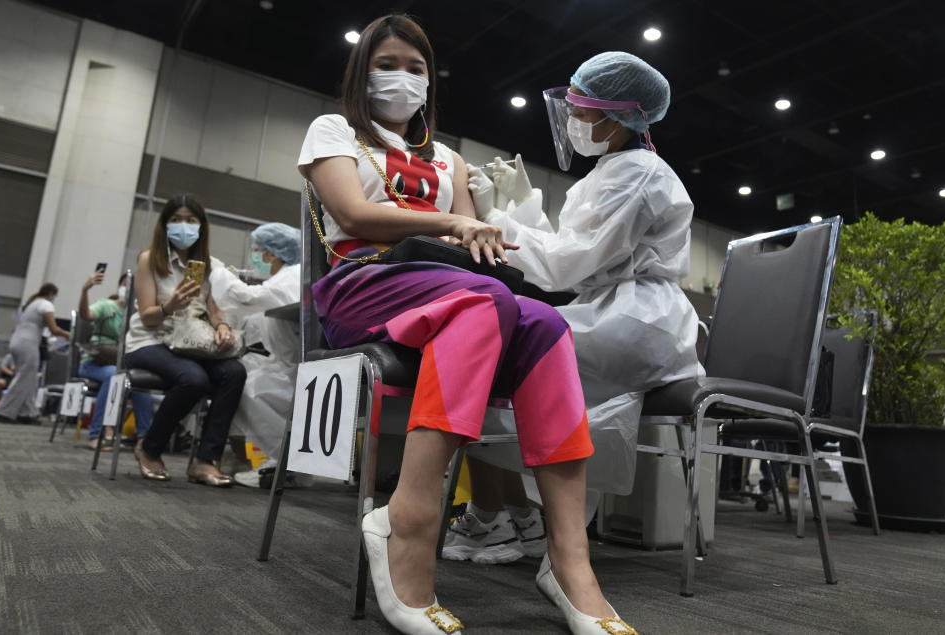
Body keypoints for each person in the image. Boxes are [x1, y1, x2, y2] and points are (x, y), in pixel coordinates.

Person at [298, 14, 632, 635]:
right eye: (387, 64)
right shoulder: (335, 131)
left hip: (445, 291)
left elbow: (470, 249)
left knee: (544, 324)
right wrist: (451, 223)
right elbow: (351, 212)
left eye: (416, 68)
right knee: (484, 304)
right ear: (361, 72)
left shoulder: (448, 159)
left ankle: (569, 558)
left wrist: (480, 229)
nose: (402, 78)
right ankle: (411, 519)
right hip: (360, 287)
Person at [451, 51, 702, 566]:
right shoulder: (612, 170)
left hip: (637, 319)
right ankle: (519, 518)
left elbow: (566, 268)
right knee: (497, 348)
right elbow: (577, 254)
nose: (573, 121)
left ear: (621, 118)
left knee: (495, 353)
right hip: (616, 309)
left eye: (584, 112)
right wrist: (519, 208)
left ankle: (502, 516)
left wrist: (497, 218)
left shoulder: (638, 175)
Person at [125, 193, 246, 487]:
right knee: (193, 379)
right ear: (165, 224)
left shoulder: (209, 265)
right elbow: (148, 317)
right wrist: (170, 306)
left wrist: (222, 327)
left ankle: (205, 461)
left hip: (188, 344)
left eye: (190, 220)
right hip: (148, 341)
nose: (183, 226)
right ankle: (149, 448)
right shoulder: (149, 259)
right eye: (176, 220)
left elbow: (216, 312)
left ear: (201, 226)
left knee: (234, 372)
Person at [208, 222, 302, 484]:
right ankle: (280, 461)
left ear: (272, 253)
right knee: (242, 375)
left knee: (244, 388)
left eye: (257, 249)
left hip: (294, 367)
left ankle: (286, 462)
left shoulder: (291, 276)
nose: (255, 255)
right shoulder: (286, 276)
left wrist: (217, 273)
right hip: (286, 363)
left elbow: (247, 299)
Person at [76, 271, 153, 450]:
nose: (129, 289)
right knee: (112, 375)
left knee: (141, 384)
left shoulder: (138, 315)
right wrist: (85, 290)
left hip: (121, 364)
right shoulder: (106, 306)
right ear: (119, 285)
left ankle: (144, 439)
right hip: (93, 363)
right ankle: (96, 434)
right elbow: (86, 315)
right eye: (126, 284)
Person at [0, 283, 71, 424]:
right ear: (51, 294)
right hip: (28, 343)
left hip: (17, 341)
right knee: (24, 377)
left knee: (30, 378)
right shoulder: (46, 304)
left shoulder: (30, 304)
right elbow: (54, 329)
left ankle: (26, 413)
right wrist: (68, 334)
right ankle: (2, 412)